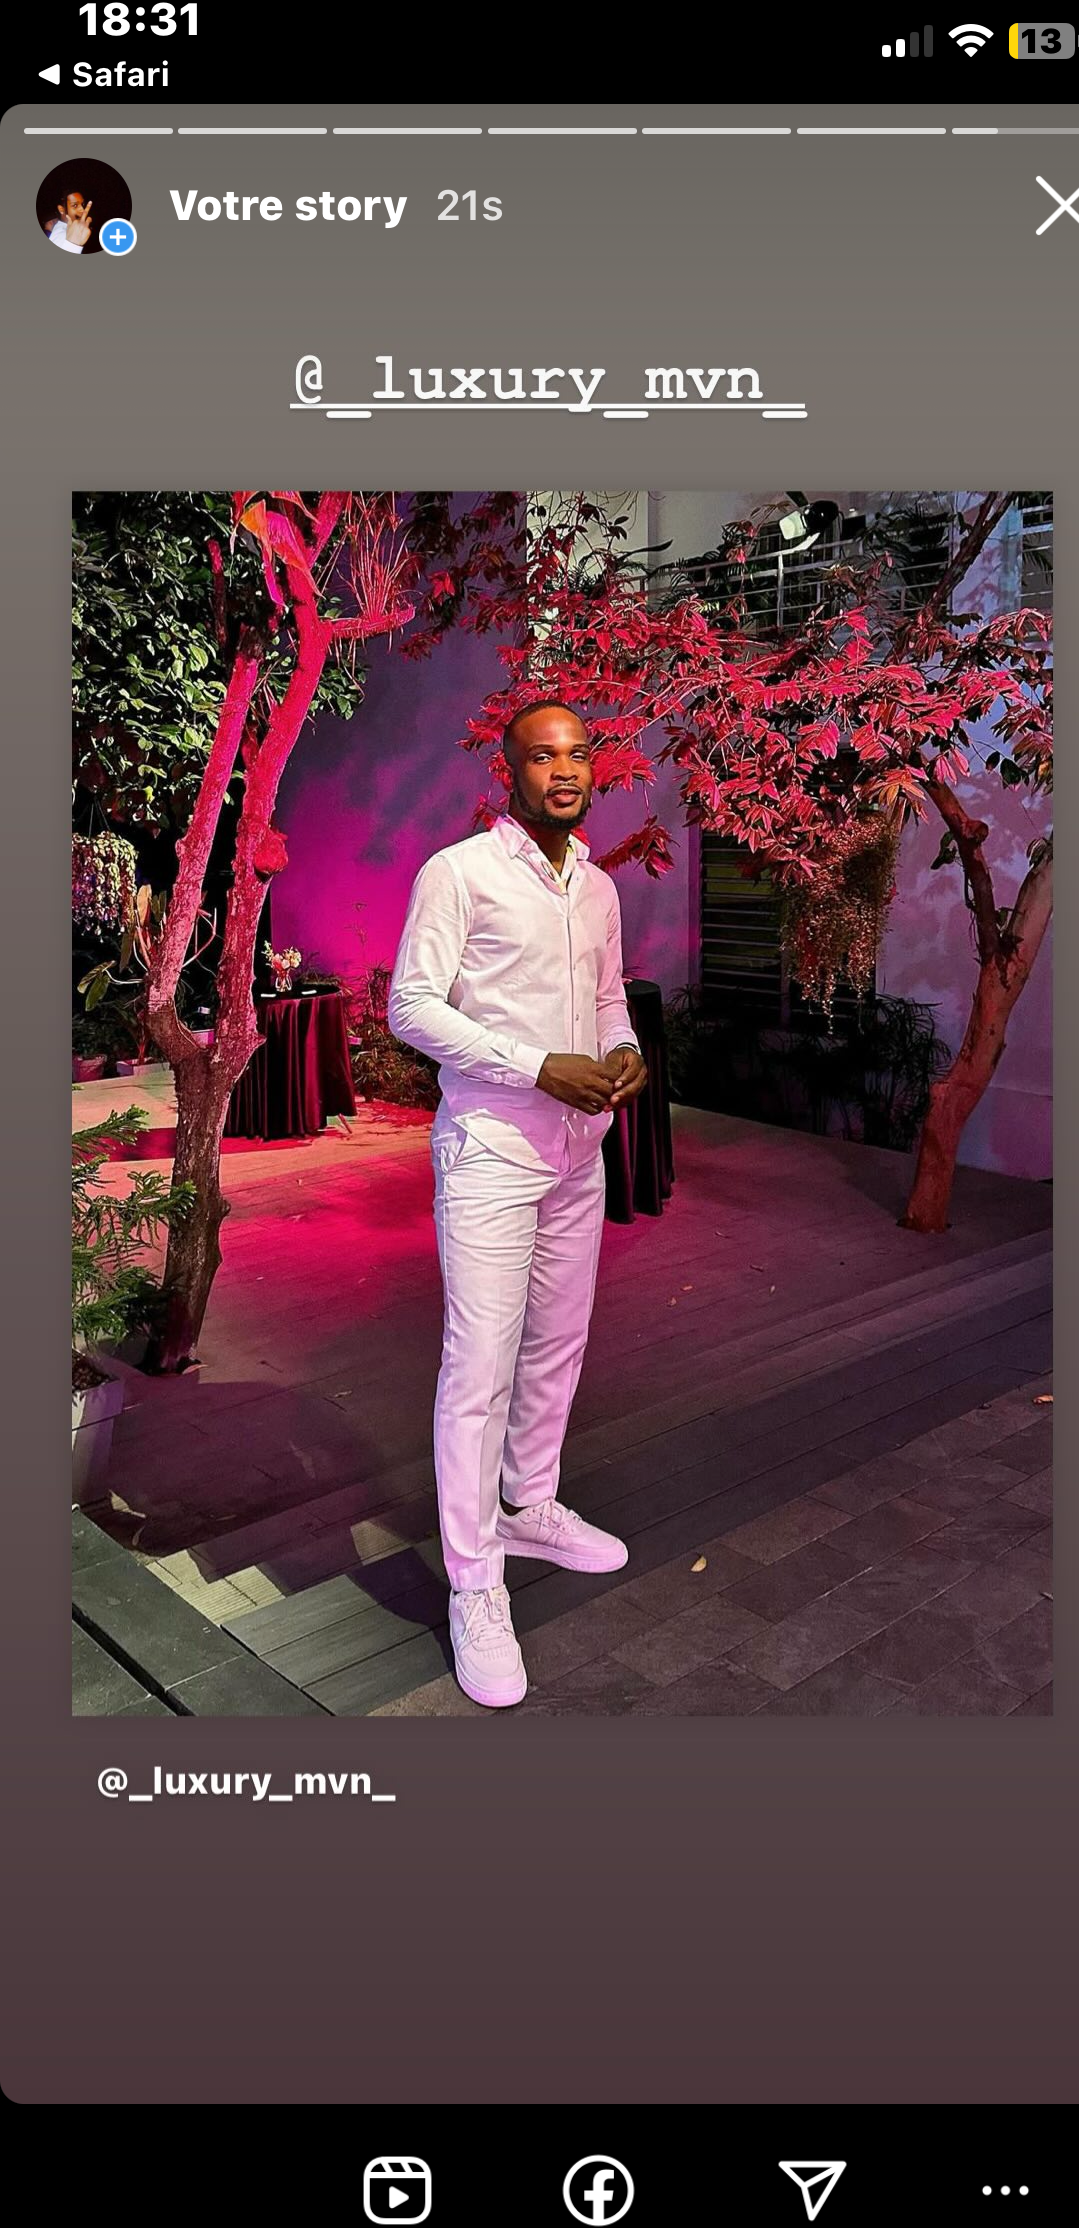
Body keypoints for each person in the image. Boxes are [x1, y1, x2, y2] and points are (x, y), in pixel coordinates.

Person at [388, 701, 648, 1709]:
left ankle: (529, 1504)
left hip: (579, 1150)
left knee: (558, 1343)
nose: (564, 770)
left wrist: (621, 1050)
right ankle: (474, 1582)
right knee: (479, 1367)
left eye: (578, 753)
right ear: (511, 770)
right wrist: (538, 1065)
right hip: (492, 1149)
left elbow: (609, 996)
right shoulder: (458, 873)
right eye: (543, 756)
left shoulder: (599, 885)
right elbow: (412, 1005)